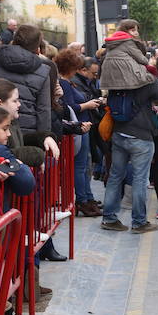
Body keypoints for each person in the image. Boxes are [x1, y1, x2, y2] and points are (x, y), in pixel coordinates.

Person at [100, 75, 158, 234]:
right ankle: (139, 222)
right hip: (141, 136)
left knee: (115, 176)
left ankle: (109, 218)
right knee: (140, 178)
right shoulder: (147, 80)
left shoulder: (118, 78)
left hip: (119, 132)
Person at [57, 49, 103, 217]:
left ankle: (86, 198)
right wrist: (88, 105)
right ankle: (82, 200)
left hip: (82, 126)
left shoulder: (68, 83)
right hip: (78, 127)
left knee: (83, 166)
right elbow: (69, 108)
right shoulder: (64, 83)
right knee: (80, 166)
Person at [99, 20, 157, 92]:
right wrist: (147, 59)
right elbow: (142, 59)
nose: (136, 33)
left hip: (111, 79)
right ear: (125, 31)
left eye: (137, 30)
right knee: (152, 76)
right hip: (126, 79)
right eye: (133, 30)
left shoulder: (113, 43)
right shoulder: (128, 42)